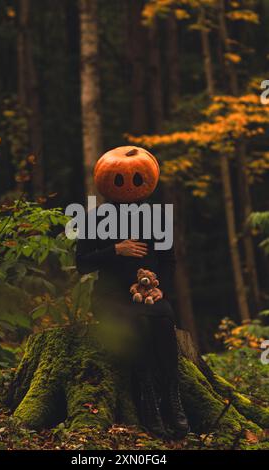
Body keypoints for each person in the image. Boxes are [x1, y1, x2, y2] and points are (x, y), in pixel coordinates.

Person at [75, 146, 189, 439]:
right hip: (110, 297)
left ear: (148, 179)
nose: (128, 184)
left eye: (137, 179)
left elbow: (168, 260)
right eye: (120, 179)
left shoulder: (156, 217)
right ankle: (147, 400)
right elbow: (82, 265)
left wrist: (160, 287)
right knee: (137, 325)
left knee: (163, 322)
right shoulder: (93, 218)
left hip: (150, 297)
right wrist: (116, 250)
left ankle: (172, 401)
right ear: (105, 179)